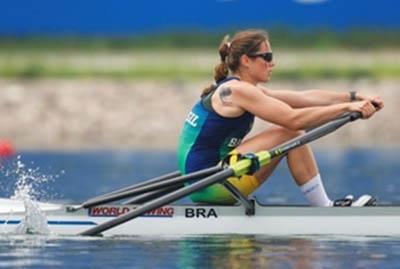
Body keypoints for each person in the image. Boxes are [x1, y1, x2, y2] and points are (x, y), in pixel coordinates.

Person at [177, 29, 384, 207]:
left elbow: (303, 98)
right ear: (246, 61)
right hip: (209, 183)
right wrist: (347, 107)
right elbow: (293, 119)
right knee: (290, 132)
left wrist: (354, 97)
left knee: (291, 133)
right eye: (266, 56)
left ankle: (324, 206)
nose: (272, 63)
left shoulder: (243, 89)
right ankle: (324, 207)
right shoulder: (236, 91)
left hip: (210, 178)